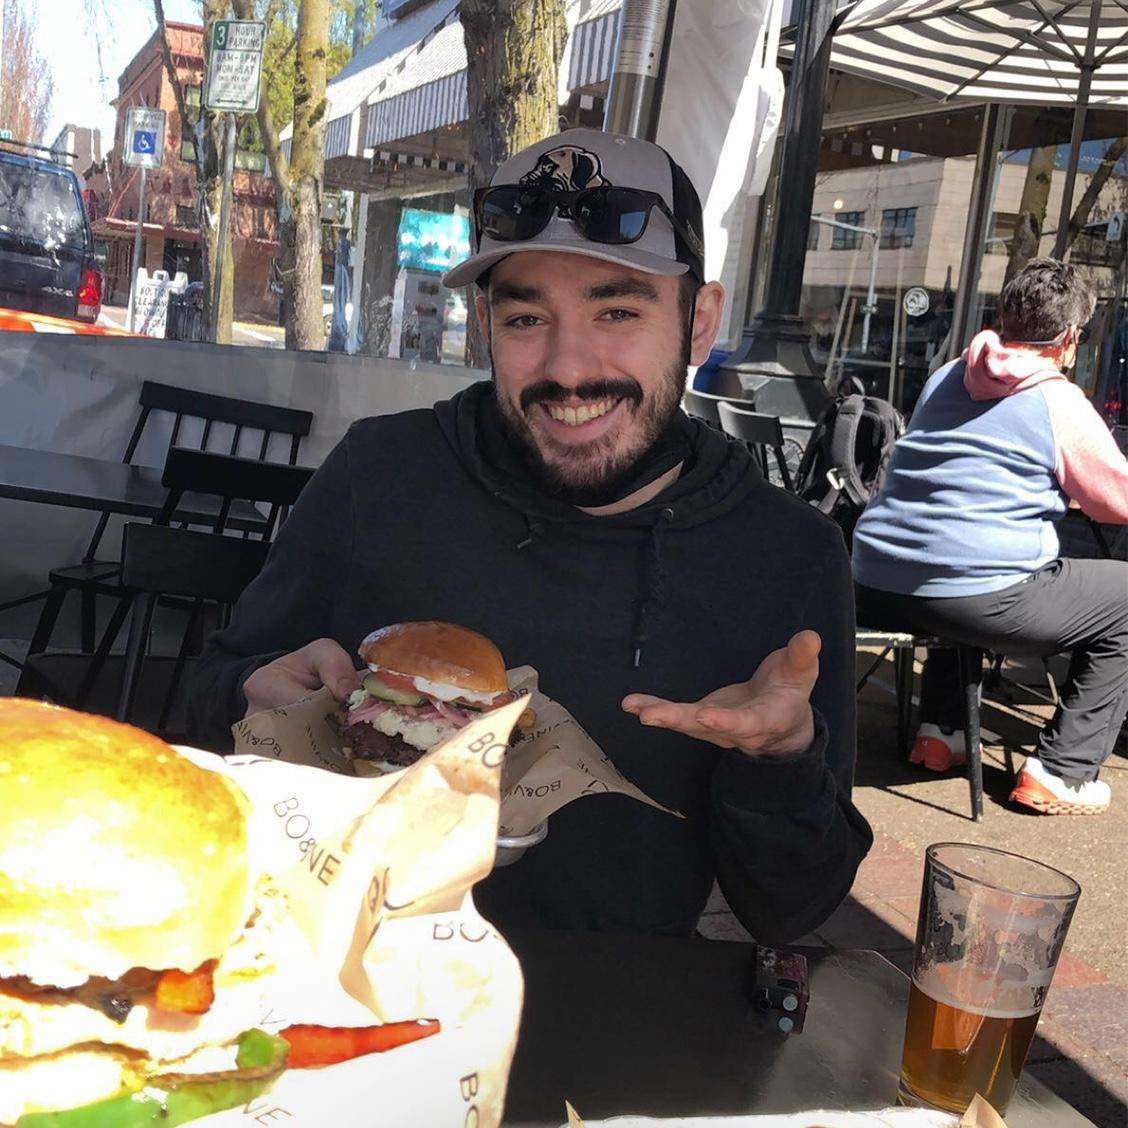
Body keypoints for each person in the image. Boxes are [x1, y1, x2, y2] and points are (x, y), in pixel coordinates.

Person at [188, 128, 871, 940]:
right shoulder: (379, 473)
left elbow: (793, 908)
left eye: (618, 310)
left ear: (700, 322)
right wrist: (249, 696)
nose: (568, 368)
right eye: (525, 317)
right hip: (344, 958)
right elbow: (207, 705)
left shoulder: (787, 556)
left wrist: (782, 756)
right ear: (486, 324)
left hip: (613, 1002)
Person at [853, 258, 1128, 815]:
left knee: (966, 560)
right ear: (1069, 340)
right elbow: (1114, 500)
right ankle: (1062, 772)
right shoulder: (1057, 399)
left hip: (873, 581)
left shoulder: (946, 375)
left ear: (1006, 318)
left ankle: (943, 731)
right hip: (970, 597)